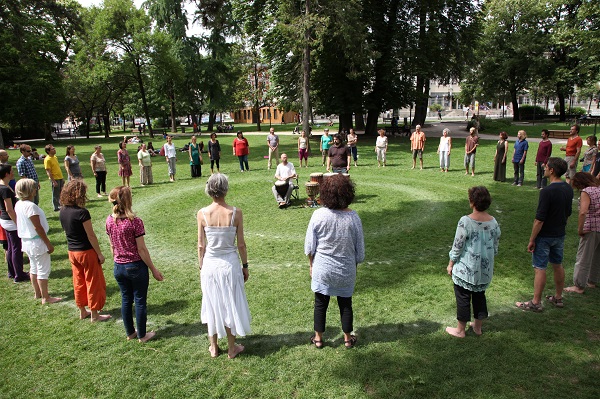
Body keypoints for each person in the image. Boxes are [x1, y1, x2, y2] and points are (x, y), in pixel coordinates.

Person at [305, 174, 365, 349]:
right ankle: (347, 339)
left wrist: (311, 265)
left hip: (322, 269)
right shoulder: (354, 218)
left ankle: (318, 339)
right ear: (348, 193)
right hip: (346, 270)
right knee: (345, 304)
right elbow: (360, 253)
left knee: (320, 304)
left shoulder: (318, 215)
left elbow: (309, 247)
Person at [198, 174, 251, 359]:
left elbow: (200, 245)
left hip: (210, 265)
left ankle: (213, 347)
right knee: (230, 304)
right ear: (225, 189)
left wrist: (200, 267)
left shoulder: (202, 213)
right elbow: (241, 244)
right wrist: (245, 265)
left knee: (212, 304)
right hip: (230, 265)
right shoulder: (235, 213)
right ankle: (231, 348)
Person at [106, 186, 164, 342]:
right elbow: (141, 249)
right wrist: (153, 269)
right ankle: (142, 335)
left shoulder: (110, 220)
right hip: (135, 266)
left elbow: (112, 245)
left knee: (126, 299)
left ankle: (130, 332)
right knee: (139, 300)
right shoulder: (135, 222)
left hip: (119, 266)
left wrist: (117, 261)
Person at [516, 157, 573, 311]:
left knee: (540, 267)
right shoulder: (568, 188)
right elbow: (568, 213)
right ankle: (558, 298)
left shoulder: (547, 191)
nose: (544, 167)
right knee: (557, 264)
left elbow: (539, 220)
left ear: (552, 170)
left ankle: (535, 302)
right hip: (559, 234)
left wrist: (532, 239)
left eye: (546, 166)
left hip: (545, 236)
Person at [446, 186, 500, 338]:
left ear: (472, 202)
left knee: (463, 297)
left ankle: (460, 330)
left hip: (466, 270)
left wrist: (451, 264)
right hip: (484, 270)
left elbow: (457, 246)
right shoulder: (493, 222)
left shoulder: (465, 221)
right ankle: (477, 327)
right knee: (479, 295)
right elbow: (495, 245)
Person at [59, 180, 110, 322]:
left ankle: (82, 310)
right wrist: (99, 253)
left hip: (72, 252)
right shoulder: (82, 213)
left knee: (78, 280)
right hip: (86, 252)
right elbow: (91, 235)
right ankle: (95, 314)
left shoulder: (62, 210)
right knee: (93, 281)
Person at [14, 178, 62, 304]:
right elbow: (38, 227)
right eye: (34, 187)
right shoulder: (31, 206)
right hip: (36, 242)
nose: (36, 189)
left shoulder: (18, 204)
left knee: (34, 267)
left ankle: (38, 293)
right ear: (30, 191)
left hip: (27, 241)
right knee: (43, 269)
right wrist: (48, 244)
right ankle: (46, 297)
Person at [564, 172, 600, 294]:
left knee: (583, 257)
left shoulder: (586, 192)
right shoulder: (598, 189)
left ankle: (578, 286)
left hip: (591, 228)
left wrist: (580, 229)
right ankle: (592, 281)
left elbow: (583, 212)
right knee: (596, 256)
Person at [0, 164, 28, 283]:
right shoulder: (5, 189)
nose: (13, 173)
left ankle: (12, 272)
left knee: (11, 247)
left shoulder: (3, 186)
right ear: (6, 174)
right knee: (16, 248)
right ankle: (19, 274)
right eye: (11, 171)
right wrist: (18, 223)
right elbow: (9, 209)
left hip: (5, 220)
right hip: (10, 221)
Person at [43, 144, 64, 212]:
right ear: (48, 151)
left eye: (54, 148)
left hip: (60, 177)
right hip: (55, 178)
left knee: (62, 192)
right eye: (53, 149)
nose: (54, 149)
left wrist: (62, 177)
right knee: (56, 193)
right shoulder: (47, 159)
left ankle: (61, 204)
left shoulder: (55, 157)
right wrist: (53, 181)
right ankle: (56, 207)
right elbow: (48, 171)